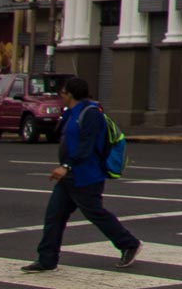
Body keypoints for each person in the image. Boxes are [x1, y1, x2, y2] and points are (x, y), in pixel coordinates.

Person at [25, 75, 141, 273]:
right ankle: (46, 259)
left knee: (96, 213)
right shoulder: (72, 112)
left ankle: (129, 243)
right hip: (69, 178)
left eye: (63, 92)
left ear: (70, 94)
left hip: (86, 176)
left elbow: (86, 146)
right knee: (54, 216)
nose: (60, 95)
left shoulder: (91, 113)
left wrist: (67, 166)